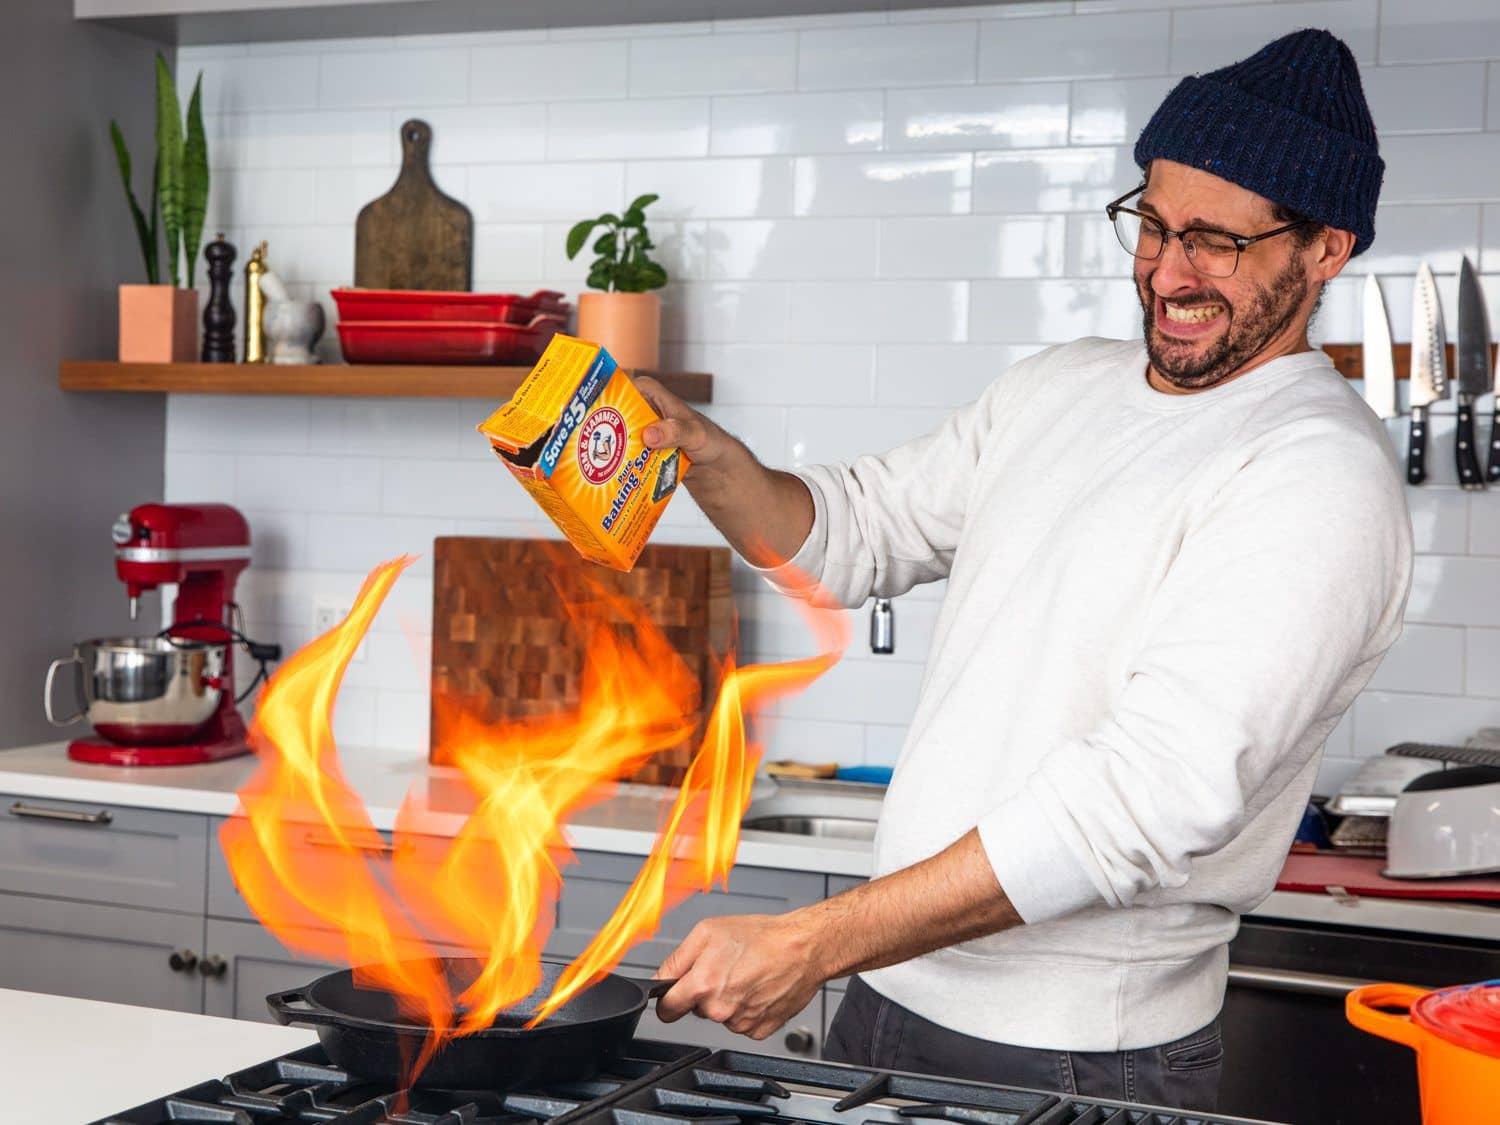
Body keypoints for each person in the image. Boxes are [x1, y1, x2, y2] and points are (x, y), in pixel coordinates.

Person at [635, 28, 1411, 1112]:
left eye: (1217, 242)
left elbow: (1137, 803)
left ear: (1326, 248)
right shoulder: (1060, 388)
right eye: (1152, 221)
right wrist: (709, 458)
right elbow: (854, 529)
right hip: (887, 999)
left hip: (1077, 1051)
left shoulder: (1315, 474)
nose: (1169, 271)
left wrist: (815, 938)